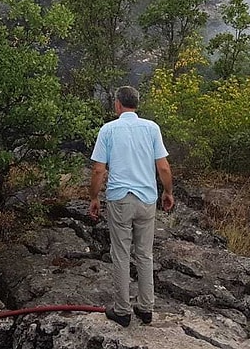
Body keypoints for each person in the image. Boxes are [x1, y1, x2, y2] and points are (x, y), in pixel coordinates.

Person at [89, 86, 174, 327]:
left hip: (120, 200)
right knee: (145, 254)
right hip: (147, 199)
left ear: (117, 104)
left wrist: (94, 198)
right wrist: (167, 192)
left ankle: (122, 310)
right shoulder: (151, 128)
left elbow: (98, 169)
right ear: (137, 104)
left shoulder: (108, 130)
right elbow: (164, 167)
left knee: (121, 254)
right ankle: (146, 309)